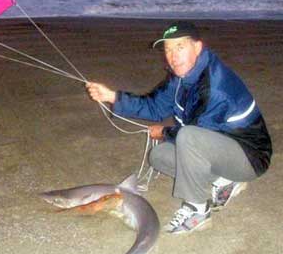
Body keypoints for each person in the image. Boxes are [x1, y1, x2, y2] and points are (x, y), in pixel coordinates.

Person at [86, 21, 272, 234]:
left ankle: (197, 210)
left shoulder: (215, 87)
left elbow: (198, 134)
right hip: (219, 150)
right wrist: (111, 97)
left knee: (188, 137)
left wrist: (164, 132)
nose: (173, 56)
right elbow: (154, 107)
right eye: (168, 49)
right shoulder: (181, 76)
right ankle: (226, 180)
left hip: (249, 156)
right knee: (159, 156)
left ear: (198, 47)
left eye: (180, 47)